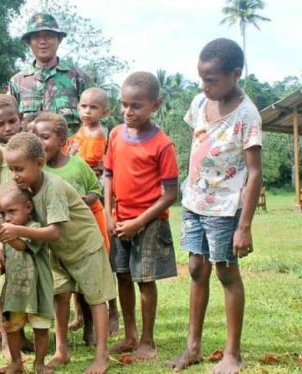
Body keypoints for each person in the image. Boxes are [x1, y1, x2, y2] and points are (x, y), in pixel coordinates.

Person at [170, 38, 262, 374]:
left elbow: (254, 173)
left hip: (225, 208)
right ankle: (192, 347)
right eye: (202, 78)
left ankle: (232, 354)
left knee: (226, 273)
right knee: (196, 269)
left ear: (235, 74)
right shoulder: (198, 103)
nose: (205, 86)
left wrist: (245, 226)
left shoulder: (247, 114)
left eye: (212, 80)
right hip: (194, 202)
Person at [0, 132, 116, 374]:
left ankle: (102, 356)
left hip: (85, 247)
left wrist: (17, 229)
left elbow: (54, 231)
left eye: (19, 168)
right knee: (60, 295)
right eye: (10, 169)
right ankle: (61, 351)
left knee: (95, 298)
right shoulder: (26, 189)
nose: (14, 175)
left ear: (39, 164)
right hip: (58, 253)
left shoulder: (53, 187)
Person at [104, 71, 179, 361]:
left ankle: (147, 341)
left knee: (144, 280)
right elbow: (108, 175)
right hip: (119, 219)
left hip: (148, 223)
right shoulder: (115, 134)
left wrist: (138, 222)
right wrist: (110, 211)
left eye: (136, 105)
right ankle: (130, 335)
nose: (128, 111)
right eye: (124, 104)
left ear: (155, 105)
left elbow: (170, 194)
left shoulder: (163, 144)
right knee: (122, 276)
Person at [31, 111, 112, 346]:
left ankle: (95, 340)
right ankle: (61, 348)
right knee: (61, 294)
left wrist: (82, 200)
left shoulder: (77, 165)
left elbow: (95, 189)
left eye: (45, 137)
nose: (40, 142)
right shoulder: (36, 171)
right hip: (56, 246)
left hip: (81, 240)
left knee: (92, 294)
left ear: (63, 141)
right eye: (36, 137)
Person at [0, 181, 54, 374]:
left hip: (37, 290)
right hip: (14, 291)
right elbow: (4, 263)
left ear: (28, 207)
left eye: (11, 211)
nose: (7, 218)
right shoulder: (6, 232)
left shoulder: (35, 228)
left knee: (40, 328)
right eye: (2, 214)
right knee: (11, 328)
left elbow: (21, 246)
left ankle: (39, 363)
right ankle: (16, 362)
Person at [0, 94, 26, 359]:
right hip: (1, 225)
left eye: (12, 121)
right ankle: (5, 340)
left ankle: (21, 336)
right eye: (1, 124)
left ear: (20, 119)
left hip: (24, 225)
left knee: (24, 280)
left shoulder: (27, 148)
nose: (8, 127)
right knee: (3, 282)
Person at [7, 12, 86, 134]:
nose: (42, 41)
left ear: (59, 40)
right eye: (36, 37)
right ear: (28, 42)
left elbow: (99, 120)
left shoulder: (78, 77)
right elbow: (7, 124)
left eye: (48, 36)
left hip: (69, 151)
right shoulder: (17, 82)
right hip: (29, 151)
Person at [64, 87, 110, 178]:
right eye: (84, 106)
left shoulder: (96, 133)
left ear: (104, 112)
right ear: (78, 108)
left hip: (85, 177)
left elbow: (91, 161)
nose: (87, 111)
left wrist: (70, 158)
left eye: (93, 107)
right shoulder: (84, 127)